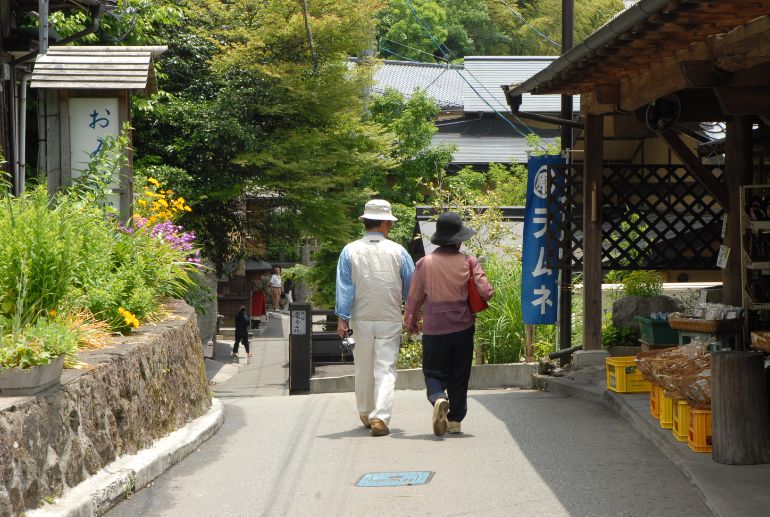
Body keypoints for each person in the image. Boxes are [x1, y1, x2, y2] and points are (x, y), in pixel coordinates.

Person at [405, 212, 493, 436]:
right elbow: (486, 292)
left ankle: (438, 398)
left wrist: (411, 321)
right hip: (463, 328)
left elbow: (414, 297)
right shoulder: (468, 262)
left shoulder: (424, 263)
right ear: (458, 239)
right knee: (459, 373)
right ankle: (455, 421)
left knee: (433, 372)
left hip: (435, 329)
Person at [336, 199, 415, 437]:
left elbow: (345, 287)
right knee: (385, 368)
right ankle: (380, 416)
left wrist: (342, 317)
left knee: (363, 366)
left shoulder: (349, 250)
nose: (390, 227)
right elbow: (410, 284)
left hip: (360, 317)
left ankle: (365, 412)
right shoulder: (398, 251)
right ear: (383, 223)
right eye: (389, 222)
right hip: (389, 316)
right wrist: (408, 310)